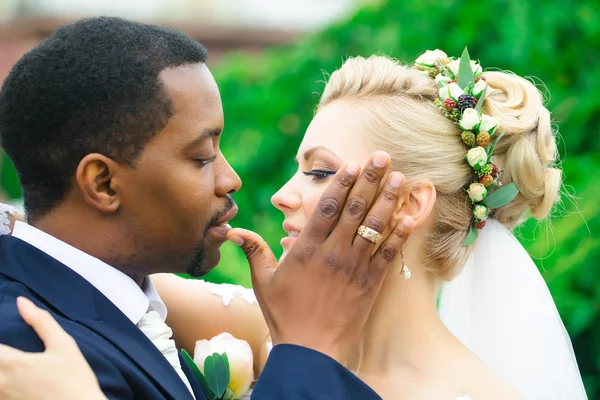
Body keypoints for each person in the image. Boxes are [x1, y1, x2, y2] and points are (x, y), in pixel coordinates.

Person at [0, 42, 587, 400]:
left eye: (320, 172)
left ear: (408, 206)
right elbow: (76, 259)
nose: (279, 196)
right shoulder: (270, 326)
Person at [0, 16, 416, 400]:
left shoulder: (115, 304)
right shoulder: (31, 351)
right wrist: (308, 347)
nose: (230, 179)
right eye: (201, 157)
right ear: (104, 184)